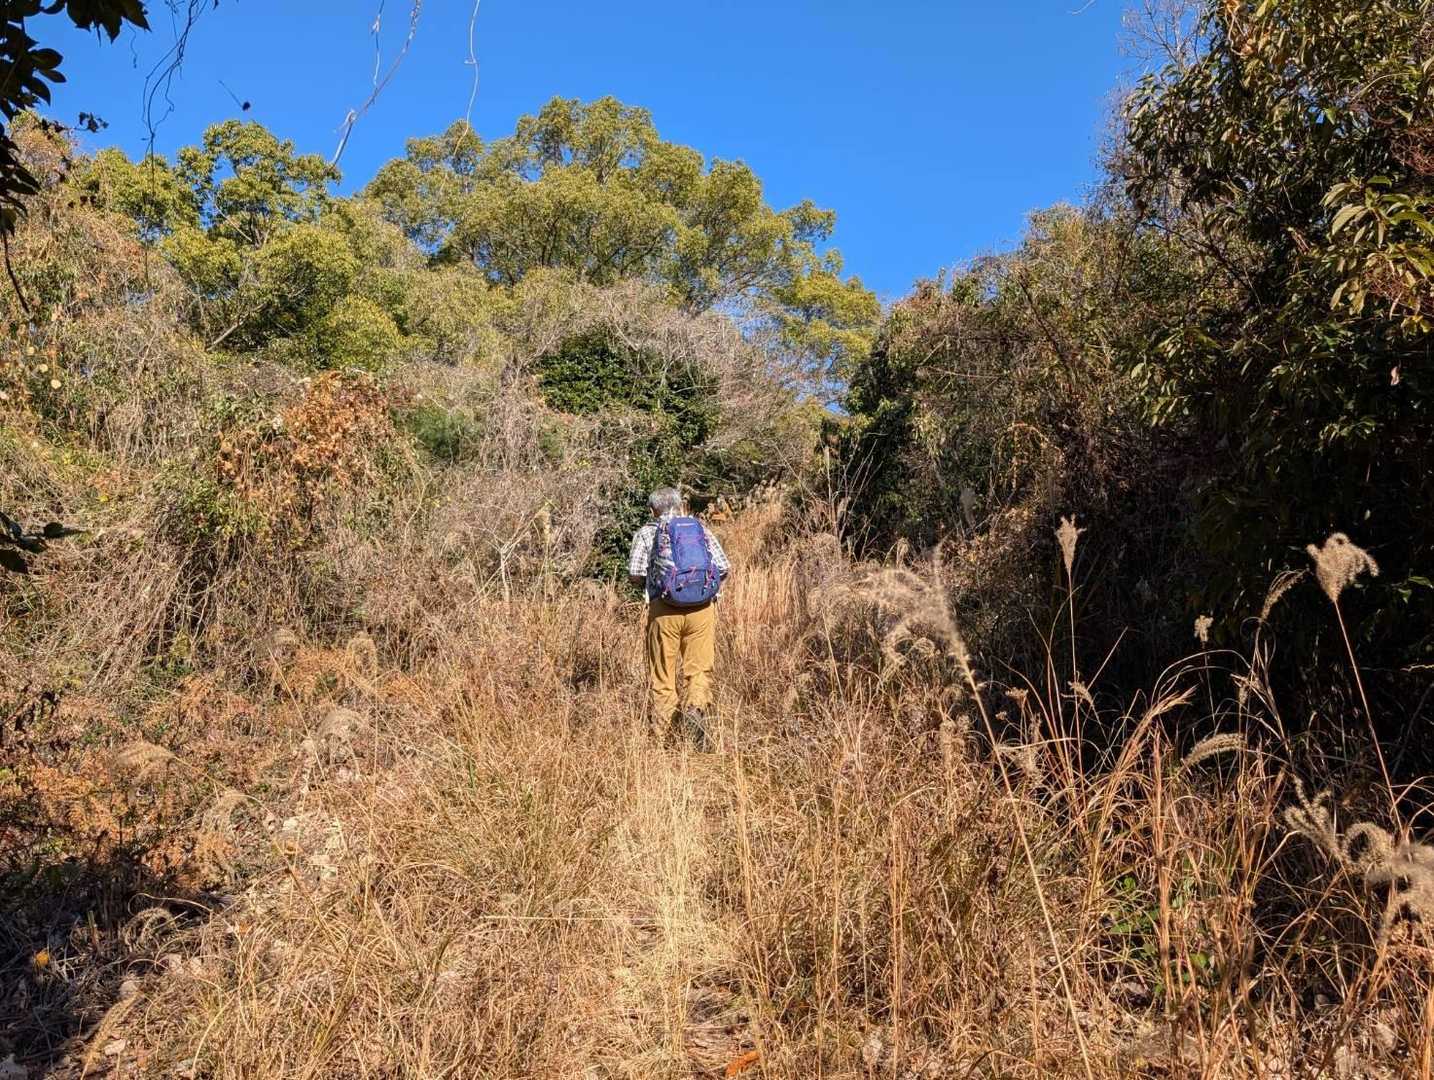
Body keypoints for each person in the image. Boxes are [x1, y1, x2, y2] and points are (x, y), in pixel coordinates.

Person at [628, 487, 730, 749]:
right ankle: (695, 708)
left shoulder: (646, 533)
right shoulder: (699, 529)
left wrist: (655, 581)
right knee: (699, 669)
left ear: (652, 510)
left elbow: (635, 573)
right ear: (680, 505)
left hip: (663, 611)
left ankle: (666, 740)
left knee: (662, 675)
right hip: (701, 610)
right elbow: (723, 567)